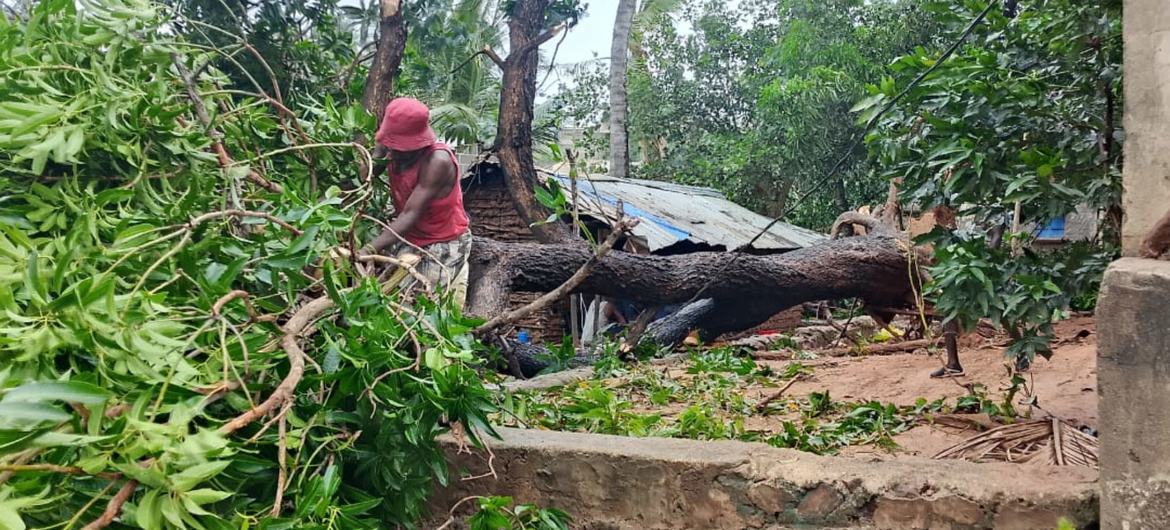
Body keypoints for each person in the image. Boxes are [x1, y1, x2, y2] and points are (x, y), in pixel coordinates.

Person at [355, 97, 472, 307]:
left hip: (442, 242)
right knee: (384, 297)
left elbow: (409, 214)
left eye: (402, 148)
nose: (398, 153)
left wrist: (369, 250)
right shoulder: (392, 149)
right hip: (409, 236)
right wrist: (380, 150)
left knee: (415, 307)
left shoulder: (438, 161)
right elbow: (365, 178)